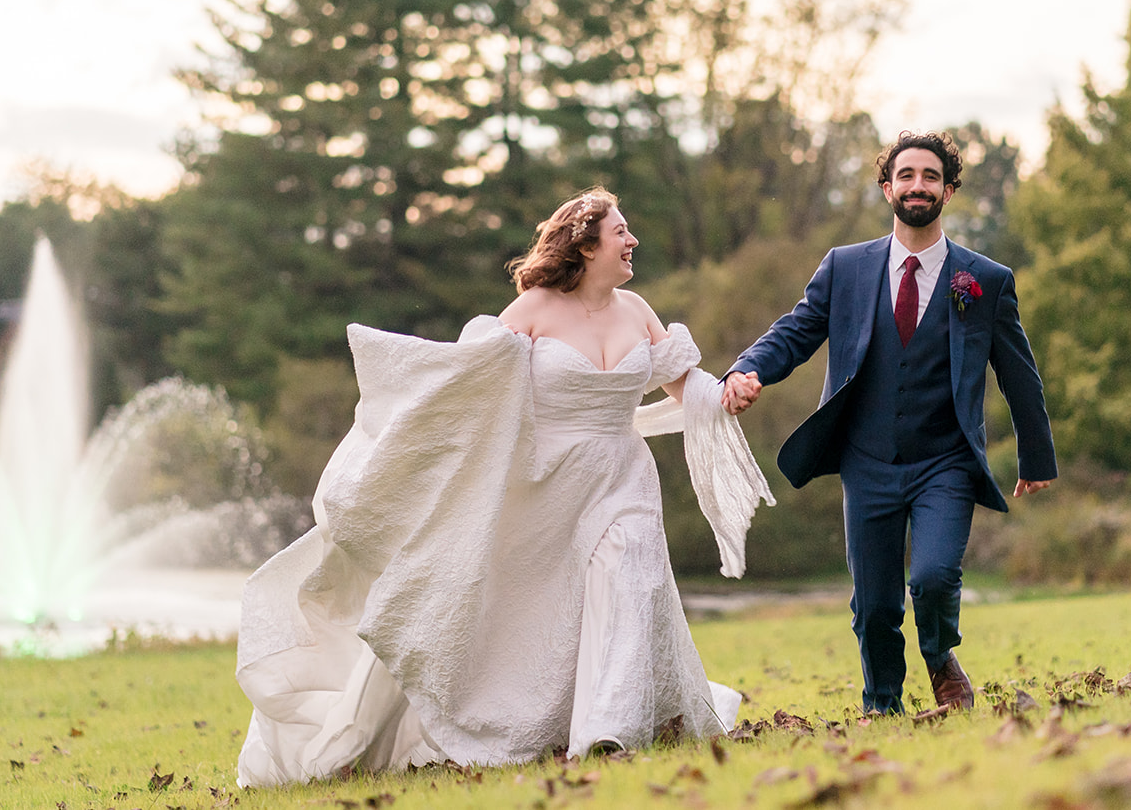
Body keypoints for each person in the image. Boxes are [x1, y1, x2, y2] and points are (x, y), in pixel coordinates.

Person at [234, 189, 772, 785]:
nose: (632, 241)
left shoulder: (636, 310)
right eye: (621, 231)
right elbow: (466, 381)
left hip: (624, 476)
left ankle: (608, 732)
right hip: (546, 487)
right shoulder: (533, 311)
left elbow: (680, 381)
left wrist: (724, 394)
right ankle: (530, 717)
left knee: (630, 568)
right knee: (537, 615)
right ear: (586, 244)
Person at [721, 131, 1056, 716]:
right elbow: (796, 332)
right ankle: (882, 704)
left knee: (930, 578)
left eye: (930, 176)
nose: (917, 186)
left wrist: (1035, 458)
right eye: (906, 176)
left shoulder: (986, 280)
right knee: (874, 603)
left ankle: (939, 653)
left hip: (945, 460)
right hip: (867, 459)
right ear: (887, 188)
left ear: (948, 191)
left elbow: (1019, 374)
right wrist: (748, 369)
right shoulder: (845, 268)